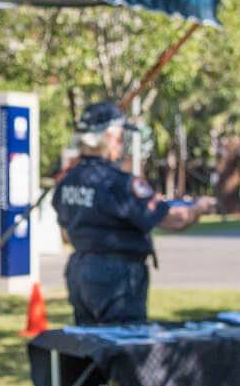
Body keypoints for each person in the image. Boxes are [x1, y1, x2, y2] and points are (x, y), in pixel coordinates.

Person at [51, 101, 199, 325]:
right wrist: (200, 208)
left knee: (87, 346)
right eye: (120, 138)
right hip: (116, 276)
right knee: (122, 348)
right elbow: (173, 221)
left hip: (80, 270)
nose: (122, 146)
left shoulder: (69, 180)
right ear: (107, 138)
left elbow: (65, 233)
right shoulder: (117, 182)